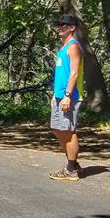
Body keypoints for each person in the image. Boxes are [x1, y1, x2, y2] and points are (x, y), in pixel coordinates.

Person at [48, 14, 85, 181]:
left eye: (64, 25)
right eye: (59, 24)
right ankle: (73, 164)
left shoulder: (73, 46)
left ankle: (71, 169)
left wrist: (68, 96)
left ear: (72, 28)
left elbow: (74, 73)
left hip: (70, 96)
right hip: (59, 96)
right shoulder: (63, 49)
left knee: (69, 131)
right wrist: (55, 96)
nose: (60, 27)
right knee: (58, 129)